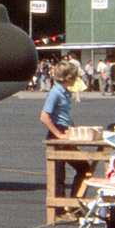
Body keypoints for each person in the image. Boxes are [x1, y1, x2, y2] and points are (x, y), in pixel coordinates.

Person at [39, 58, 83, 200]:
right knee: (58, 176)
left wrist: (74, 129)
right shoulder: (55, 93)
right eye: (75, 76)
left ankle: (74, 205)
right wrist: (58, 134)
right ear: (69, 78)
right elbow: (44, 116)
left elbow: (66, 114)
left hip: (66, 131)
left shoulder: (66, 92)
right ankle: (60, 212)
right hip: (57, 135)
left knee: (84, 168)